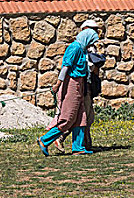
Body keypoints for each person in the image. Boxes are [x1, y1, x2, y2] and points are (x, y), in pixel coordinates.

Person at [37, 27, 99, 156]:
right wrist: (58, 84)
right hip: (71, 84)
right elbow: (66, 67)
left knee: (81, 118)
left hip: (80, 85)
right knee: (68, 118)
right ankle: (44, 140)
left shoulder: (82, 49)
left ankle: (78, 147)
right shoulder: (74, 48)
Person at [53, 20, 101, 153]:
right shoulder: (77, 48)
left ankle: (83, 145)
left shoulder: (86, 48)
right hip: (80, 86)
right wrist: (58, 84)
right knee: (77, 117)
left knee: (86, 117)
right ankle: (58, 138)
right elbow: (67, 66)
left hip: (86, 86)